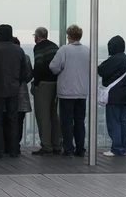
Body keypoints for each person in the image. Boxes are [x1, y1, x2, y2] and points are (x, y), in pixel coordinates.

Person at [0, 25, 32, 158]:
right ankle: (14, 149)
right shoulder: (19, 50)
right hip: (13, 90)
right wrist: (16, 82)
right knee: (13, 120)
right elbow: (24, 72)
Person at [49, 24, 90, 157]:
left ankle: (68, 149)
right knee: (79, 121)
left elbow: (54, 67)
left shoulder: (64, 50)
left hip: (67, 92)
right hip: (82, 91)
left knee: (67, 121)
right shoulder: (87, 50)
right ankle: (80, 148)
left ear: (69, 36)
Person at [98, 35, 126, 157]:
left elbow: (101, 70)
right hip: (124, 95)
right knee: (122, 122)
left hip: (114, 95)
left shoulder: (114, 59)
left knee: (114, 122)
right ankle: (123, 147)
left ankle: (116, 148)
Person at [31, 27, 61, 156]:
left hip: (43, 84)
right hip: (55, 83)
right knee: (53, 115)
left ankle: (46, 146)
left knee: (43, 116)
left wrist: (36, 83)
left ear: (37, 37)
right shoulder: (55, 46)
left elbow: (39, 65)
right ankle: (56, 145)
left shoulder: (39, 47)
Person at [3, 37, 33, 155]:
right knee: (19, 122)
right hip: (22, 93)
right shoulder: (25, 58)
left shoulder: (4, 57)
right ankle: (15, 145)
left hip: (5, 92)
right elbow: (29, 75)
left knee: (6, 121)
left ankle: (6, 145)